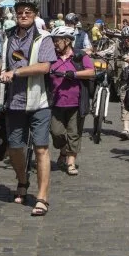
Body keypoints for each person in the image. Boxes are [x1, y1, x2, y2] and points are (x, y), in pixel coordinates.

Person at [0, 0, 56, 216]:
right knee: (14, 148)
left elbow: (45, 66)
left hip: (39, 101)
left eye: (28, 12)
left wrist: (17, 73)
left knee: (41, 148)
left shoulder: (44, 38)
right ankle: (22, 180)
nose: (23, 15)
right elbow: (3, 63)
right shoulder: (8, 36)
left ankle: (42, 198)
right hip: (13, 102)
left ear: (35, 15)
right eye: (20, 12)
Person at [47, 25, 95, 175]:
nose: (55, 43)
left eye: (57, 40)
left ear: (67, 41)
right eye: (54, 40)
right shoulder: (50, 56)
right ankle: (63, 150)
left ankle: (70, 163)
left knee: (74, 133)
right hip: (55, 101)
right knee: (56, 133)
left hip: (76, 101)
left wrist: (74, 74)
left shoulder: (79, 56)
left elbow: (91, 72)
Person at [97, 24, 129, 140]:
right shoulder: (117, 46)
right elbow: (106, 52)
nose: (127, 40)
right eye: (124, 38)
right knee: (124, 101)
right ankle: (126, 129)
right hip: (123, 80)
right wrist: (94, 53)